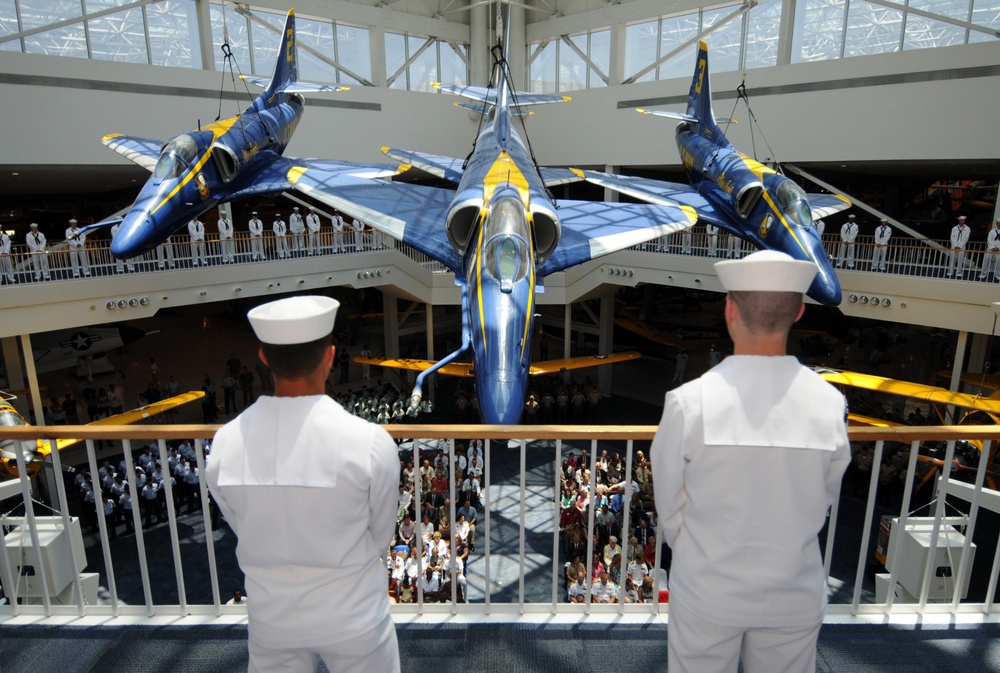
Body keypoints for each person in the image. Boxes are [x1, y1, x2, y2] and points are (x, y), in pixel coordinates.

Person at [650, 250, 850, 673]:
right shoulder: (830, 404)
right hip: (793, 590)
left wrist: (695, 551)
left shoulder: (690, 402)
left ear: (729, 310)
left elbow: (669, 503)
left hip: (709, 587)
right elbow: (826, 495)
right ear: (797, 312)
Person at [206, 295, 400, 673]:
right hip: (353, 614)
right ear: (330, 356)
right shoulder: (369, 442)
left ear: (263, 358)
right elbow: (380, 534)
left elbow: (236, 521)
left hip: (271, 617)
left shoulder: (226, 442)